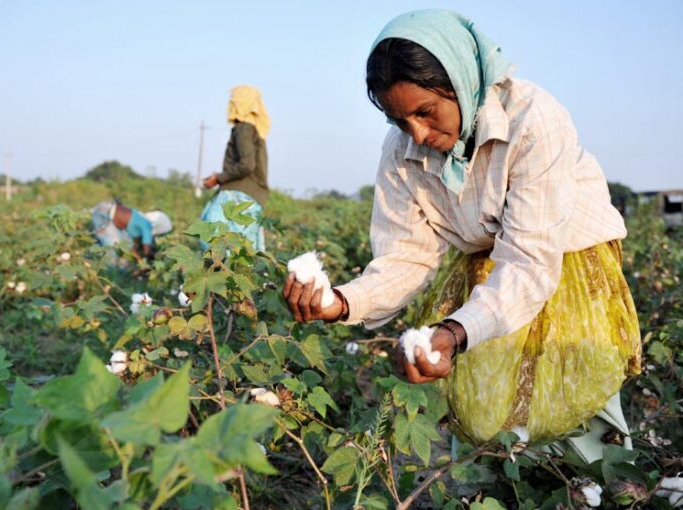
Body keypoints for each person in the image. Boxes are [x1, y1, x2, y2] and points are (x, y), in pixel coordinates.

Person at [283, 10, 642, 464]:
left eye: (425, 112)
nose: (417, 133)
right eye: (399, 120)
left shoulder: (533, 120)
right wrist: (337, 302)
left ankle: (593, 486)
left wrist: (453, 332)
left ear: (459, 82)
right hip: (487, 263)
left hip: (563, 259)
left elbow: (531, 263)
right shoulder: (402, 151)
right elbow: (405, 256)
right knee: (485, 405)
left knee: (574, 397)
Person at [200, 85, 270, 251]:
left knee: (208, 233)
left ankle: (219, 273)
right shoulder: (257, 131)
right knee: (245, 249)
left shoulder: (244, 129)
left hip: (238, 194)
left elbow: (246, 165)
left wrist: (219, 178)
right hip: (254, 196)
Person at [91, 200, 172, 260]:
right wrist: (154, 256)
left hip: (105, 209)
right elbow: (146, 251)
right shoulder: (147, 226)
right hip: (105, 213)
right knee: (112, 254)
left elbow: (128, 244)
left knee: (112, 245)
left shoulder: (138, 221)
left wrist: (139, 259)